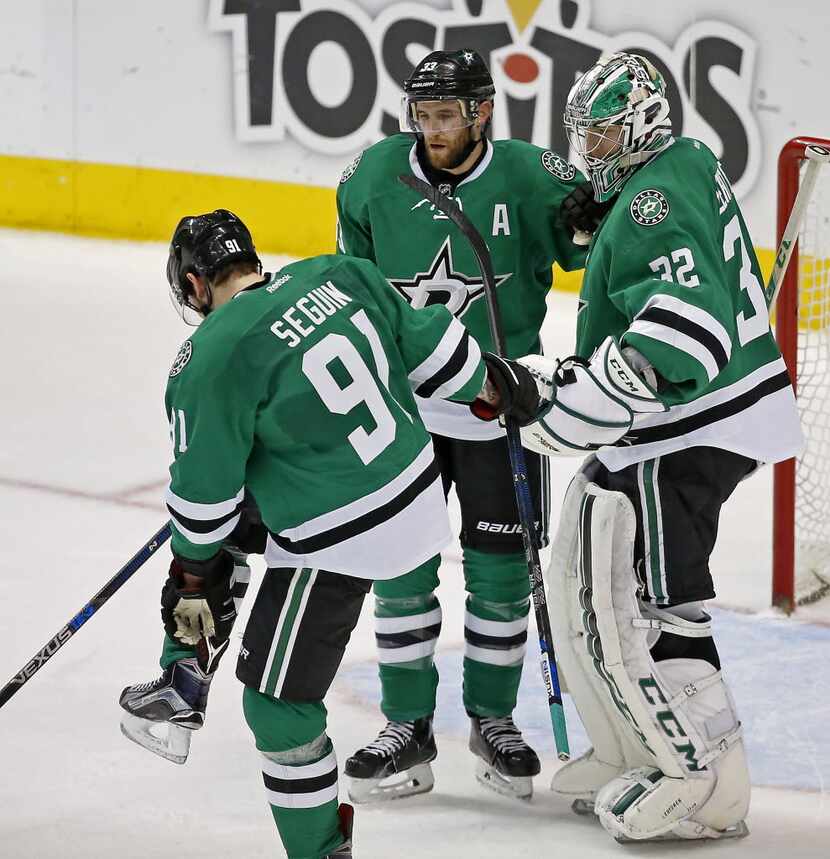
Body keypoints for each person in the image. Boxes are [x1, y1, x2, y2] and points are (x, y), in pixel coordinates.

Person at [118, 209, 541, 858]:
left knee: (273, 701)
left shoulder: (207, 358)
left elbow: (203, 507)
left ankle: (314, 844)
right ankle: (185, 679)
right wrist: (499, 383)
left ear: (197, 286)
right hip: (415, 487)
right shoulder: (340, 273)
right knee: (225, 539)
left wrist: (190, 576)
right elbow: (434, 348)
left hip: (340, 531)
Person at [516, 52, 803, 842]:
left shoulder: (648, 204)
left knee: (649, 597)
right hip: (704, 414)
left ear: (642, 122)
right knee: (585, 550)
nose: (593, 151)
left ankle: (708, 784)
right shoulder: (684, 161)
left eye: (606, 135)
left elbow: (687, 331)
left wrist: (579, 397)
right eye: (587, 136)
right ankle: (630, 745)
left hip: (693, 425)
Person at [336, 48, 590, 803]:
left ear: (482, 112)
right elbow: (359, 284)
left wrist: (591, 222)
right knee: (401, 567)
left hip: (498, 404)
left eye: (446, 114)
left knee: (503, 576)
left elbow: (594, 254)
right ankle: (406, 726)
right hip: (408, 410)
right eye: (422, 114)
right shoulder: (372, 177)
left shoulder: (532, 175)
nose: (431, 129)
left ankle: (493, 719)